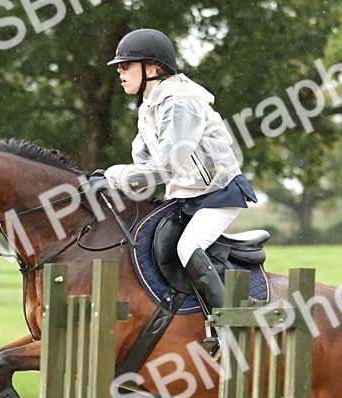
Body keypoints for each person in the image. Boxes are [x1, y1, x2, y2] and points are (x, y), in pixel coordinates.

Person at [101, 29, 257, 350]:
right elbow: (142, 160)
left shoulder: (181, 102)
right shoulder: (149, 105)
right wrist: (112, 181)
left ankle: (228, 328)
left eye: (126, 65)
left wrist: (120, 175)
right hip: (186, 196)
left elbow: (167, 165)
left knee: (188, 247)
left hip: (218, 193)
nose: (119, 71)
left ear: (152, 69)